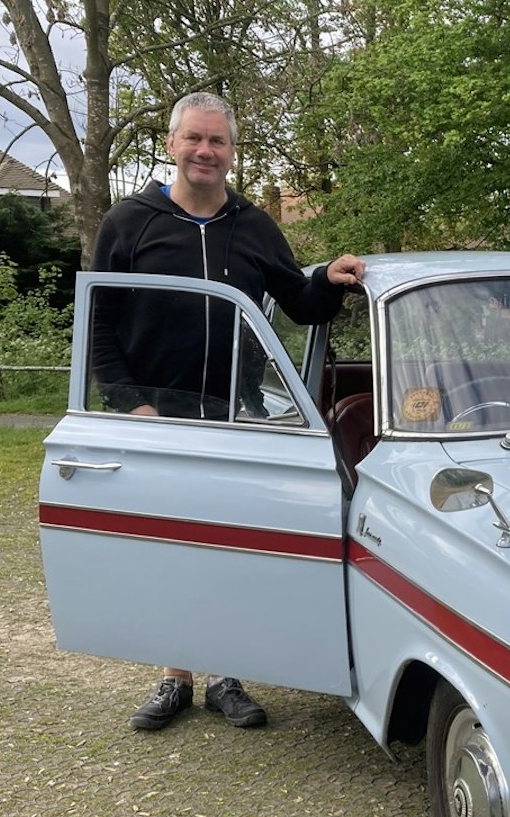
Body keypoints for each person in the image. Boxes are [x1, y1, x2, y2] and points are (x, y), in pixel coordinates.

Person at [90, 91, 365, 732]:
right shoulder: (129, 222)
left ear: (231, 152)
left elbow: (300, 302)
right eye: (194, 139)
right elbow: (99, 321)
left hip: (233, 416)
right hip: (156, 418)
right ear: (171, 144)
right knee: (167, 544)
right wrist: (132, 403)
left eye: (217, 141)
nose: (205, 151)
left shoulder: (253, 224)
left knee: (226, 541)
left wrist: (330, 277)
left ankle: (226, 675)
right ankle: (172, 676)